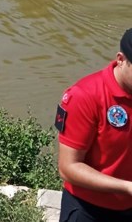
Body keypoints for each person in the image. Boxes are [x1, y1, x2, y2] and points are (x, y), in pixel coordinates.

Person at [56, 28, 132, 221]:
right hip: (89, 209)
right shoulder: (85, 96)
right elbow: (68, 167)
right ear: (121, 59)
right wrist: (126, 187)